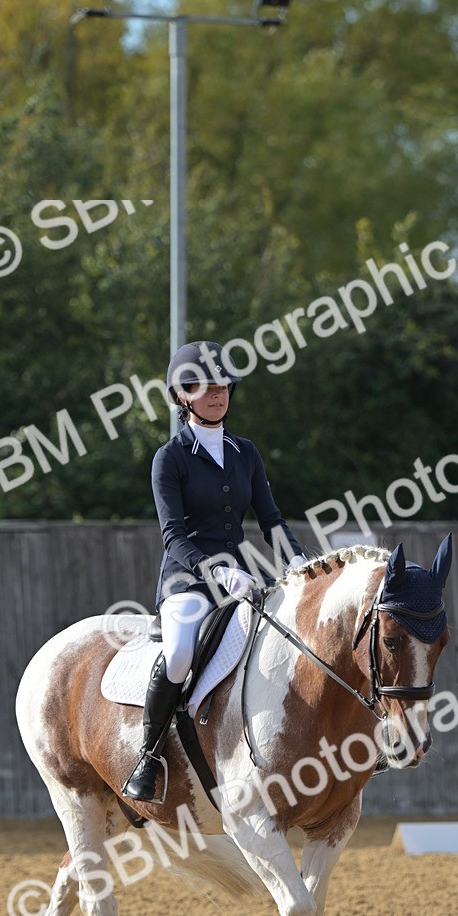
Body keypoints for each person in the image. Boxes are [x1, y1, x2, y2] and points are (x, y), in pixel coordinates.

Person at [122, 340, 307, 802]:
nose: (217, 394)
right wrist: (218, 573)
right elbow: (173, 536)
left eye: (223, 386)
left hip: (241, 578)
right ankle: (148, 756)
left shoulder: (245, 452)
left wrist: (298, 562)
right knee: (179, 654)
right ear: (182, 395)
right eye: (205, 387)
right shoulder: (170, 458)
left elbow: (271, 519)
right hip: (187, 580)